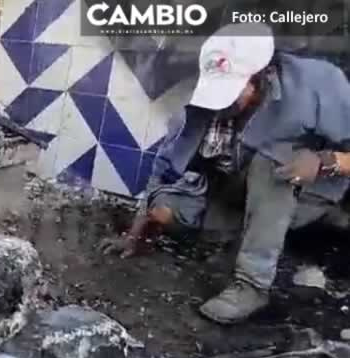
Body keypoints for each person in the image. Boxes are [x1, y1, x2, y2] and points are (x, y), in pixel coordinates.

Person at [103, 22, 350, 324]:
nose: (226, 103)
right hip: (236, 196)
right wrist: (137, 231)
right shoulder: (203, 108)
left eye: (235, 91)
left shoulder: (319, 84)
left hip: (303, 193)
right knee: (164, 210)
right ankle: (236, 239)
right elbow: (163, 169)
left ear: (260, 76)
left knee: (272, 160)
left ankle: (252, 285)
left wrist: (327, 161)